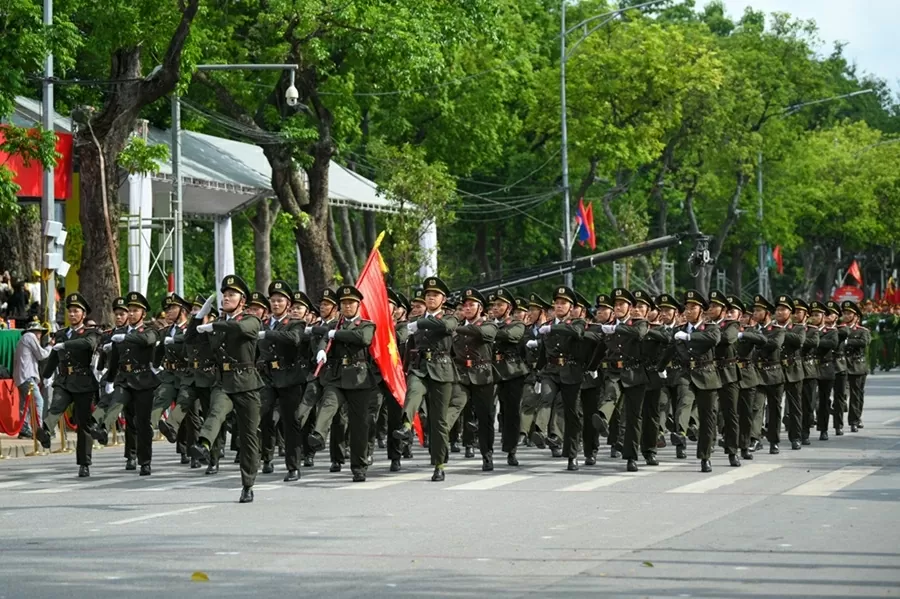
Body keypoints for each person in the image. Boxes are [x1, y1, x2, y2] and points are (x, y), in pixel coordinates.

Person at [190, 276, 263, 503]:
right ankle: (203, 444)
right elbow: (191, 339)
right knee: (216, 411)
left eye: (232, 294)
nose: (226, 298)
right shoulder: (218, 324)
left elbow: (240, 328)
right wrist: (198, 318)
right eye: (225, 294)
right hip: (224, 381)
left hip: (247, 383)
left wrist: (214, 325)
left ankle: (248, 484)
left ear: (243, 300)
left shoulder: (251, 319)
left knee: (249, 436)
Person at [393, 276, 459, 482]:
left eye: (435, 295)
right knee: (413, 391)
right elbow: (408, 345)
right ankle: (406, 426)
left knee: (438, 421)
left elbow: (445, 327)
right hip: (420, 367)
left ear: (443, 299)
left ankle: (439, 464)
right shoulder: (415, 321)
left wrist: (418, 323)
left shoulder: (450, 318)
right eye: (428, 295)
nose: (431, 298)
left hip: (442, 369)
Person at [309, 285, 377, 482]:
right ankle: (318, 434)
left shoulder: (366, 324)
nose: (347, 306)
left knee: (359, 425)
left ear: (358, 305)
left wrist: (335, 335)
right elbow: (324, 339)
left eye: (351, 303)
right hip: (337, 376)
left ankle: (359, 466)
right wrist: (321, 350)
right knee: (328, 402)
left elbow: (363, 338)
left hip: (359, 378)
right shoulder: (334, 326)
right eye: (344, 303)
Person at [36, 293, 101, 477]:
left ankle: (84, 463)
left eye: (76, 311)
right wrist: (46, 376)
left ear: (83, 314)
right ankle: (46, 432)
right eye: (70, 311)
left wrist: (65, 345)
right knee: (56, 405)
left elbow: (87, 344)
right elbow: (54, 357)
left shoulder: (91, 333)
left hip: (83, 381)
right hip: (64, 380)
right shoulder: (61, 334)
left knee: (83, 423)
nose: (72, 314)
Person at [663, 290, 722, 473]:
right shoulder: (678, 330)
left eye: (693, 308)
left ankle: (705, 456)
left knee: (707, 418)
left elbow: (713, 339)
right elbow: (670, 350)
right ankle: (680, 432)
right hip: (686, 373)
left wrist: (689, 337)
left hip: (706, 375)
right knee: (684, 400)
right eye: (686, 308)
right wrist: (659, 368)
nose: (688, 311)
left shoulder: (710, 328)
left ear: (701, 311)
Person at [105, 292, 161, 475]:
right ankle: (130, 455)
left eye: (135, 310)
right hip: (124, 379)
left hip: (143, 380)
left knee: (142, 422)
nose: (131, 314)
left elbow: (147, 340)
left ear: (143, 313)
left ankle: (145, 461)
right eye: (129, 310)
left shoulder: (150, 330)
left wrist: (126, 338)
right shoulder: (119, 333)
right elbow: (115, 359)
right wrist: (110, 380)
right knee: (127, 417)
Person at [257, 281, 307, 481]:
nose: (276, 304)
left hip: (289, 377)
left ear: (288, 304)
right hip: (267, 377)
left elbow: (294, 339)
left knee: (290, 421)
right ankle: (266, 457)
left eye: (280, 300)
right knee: (264, 416)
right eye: (273, 300)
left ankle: (293, 466)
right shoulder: (262, 323)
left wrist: (269, 333)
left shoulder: (296, 323)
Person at [599, 288, 648, 472]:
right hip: (614, 372)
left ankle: (631, 457)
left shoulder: (639, 323)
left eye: (622, 304)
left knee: (633, 417)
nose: (618, 307)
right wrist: (590, 366)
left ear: (630, 307)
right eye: (616, 305)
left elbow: (639, 334)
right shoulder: (608, 325)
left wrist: (616, 328)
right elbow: (599, 348)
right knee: (611, 394)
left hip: (634, 373)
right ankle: (602, 418)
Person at [491, 287, 528, 467]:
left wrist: (486, 331)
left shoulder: (516, 324)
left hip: (512, 371)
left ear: (509, 308)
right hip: (491, 369)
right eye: (494, 305)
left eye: (500, 305)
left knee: (511, 411)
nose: (496, 308)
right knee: (488, 408)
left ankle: (511, 449)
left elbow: (510, 336)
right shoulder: (488, 324)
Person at [12, 319, 51, 438]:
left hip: (22, 377)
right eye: (39, 332)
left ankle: (25, 429)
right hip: (27, 376)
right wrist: (50, 346)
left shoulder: (23, 339)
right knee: (38, 401)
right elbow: (42, 355)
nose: (40, 335)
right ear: (35, 331)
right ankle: (38, 430)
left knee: (25, 405)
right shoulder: (30, 336)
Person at [842, 301, 871, 432]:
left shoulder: (862, 331)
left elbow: (864, 342)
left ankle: (855, 419)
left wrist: (847, 341)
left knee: (857, 394)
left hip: (857, 365)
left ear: (856, 317)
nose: (846, 316)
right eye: (845, 313)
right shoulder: (839, 329)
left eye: (849, 313)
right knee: (841, 392)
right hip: (841, 364)